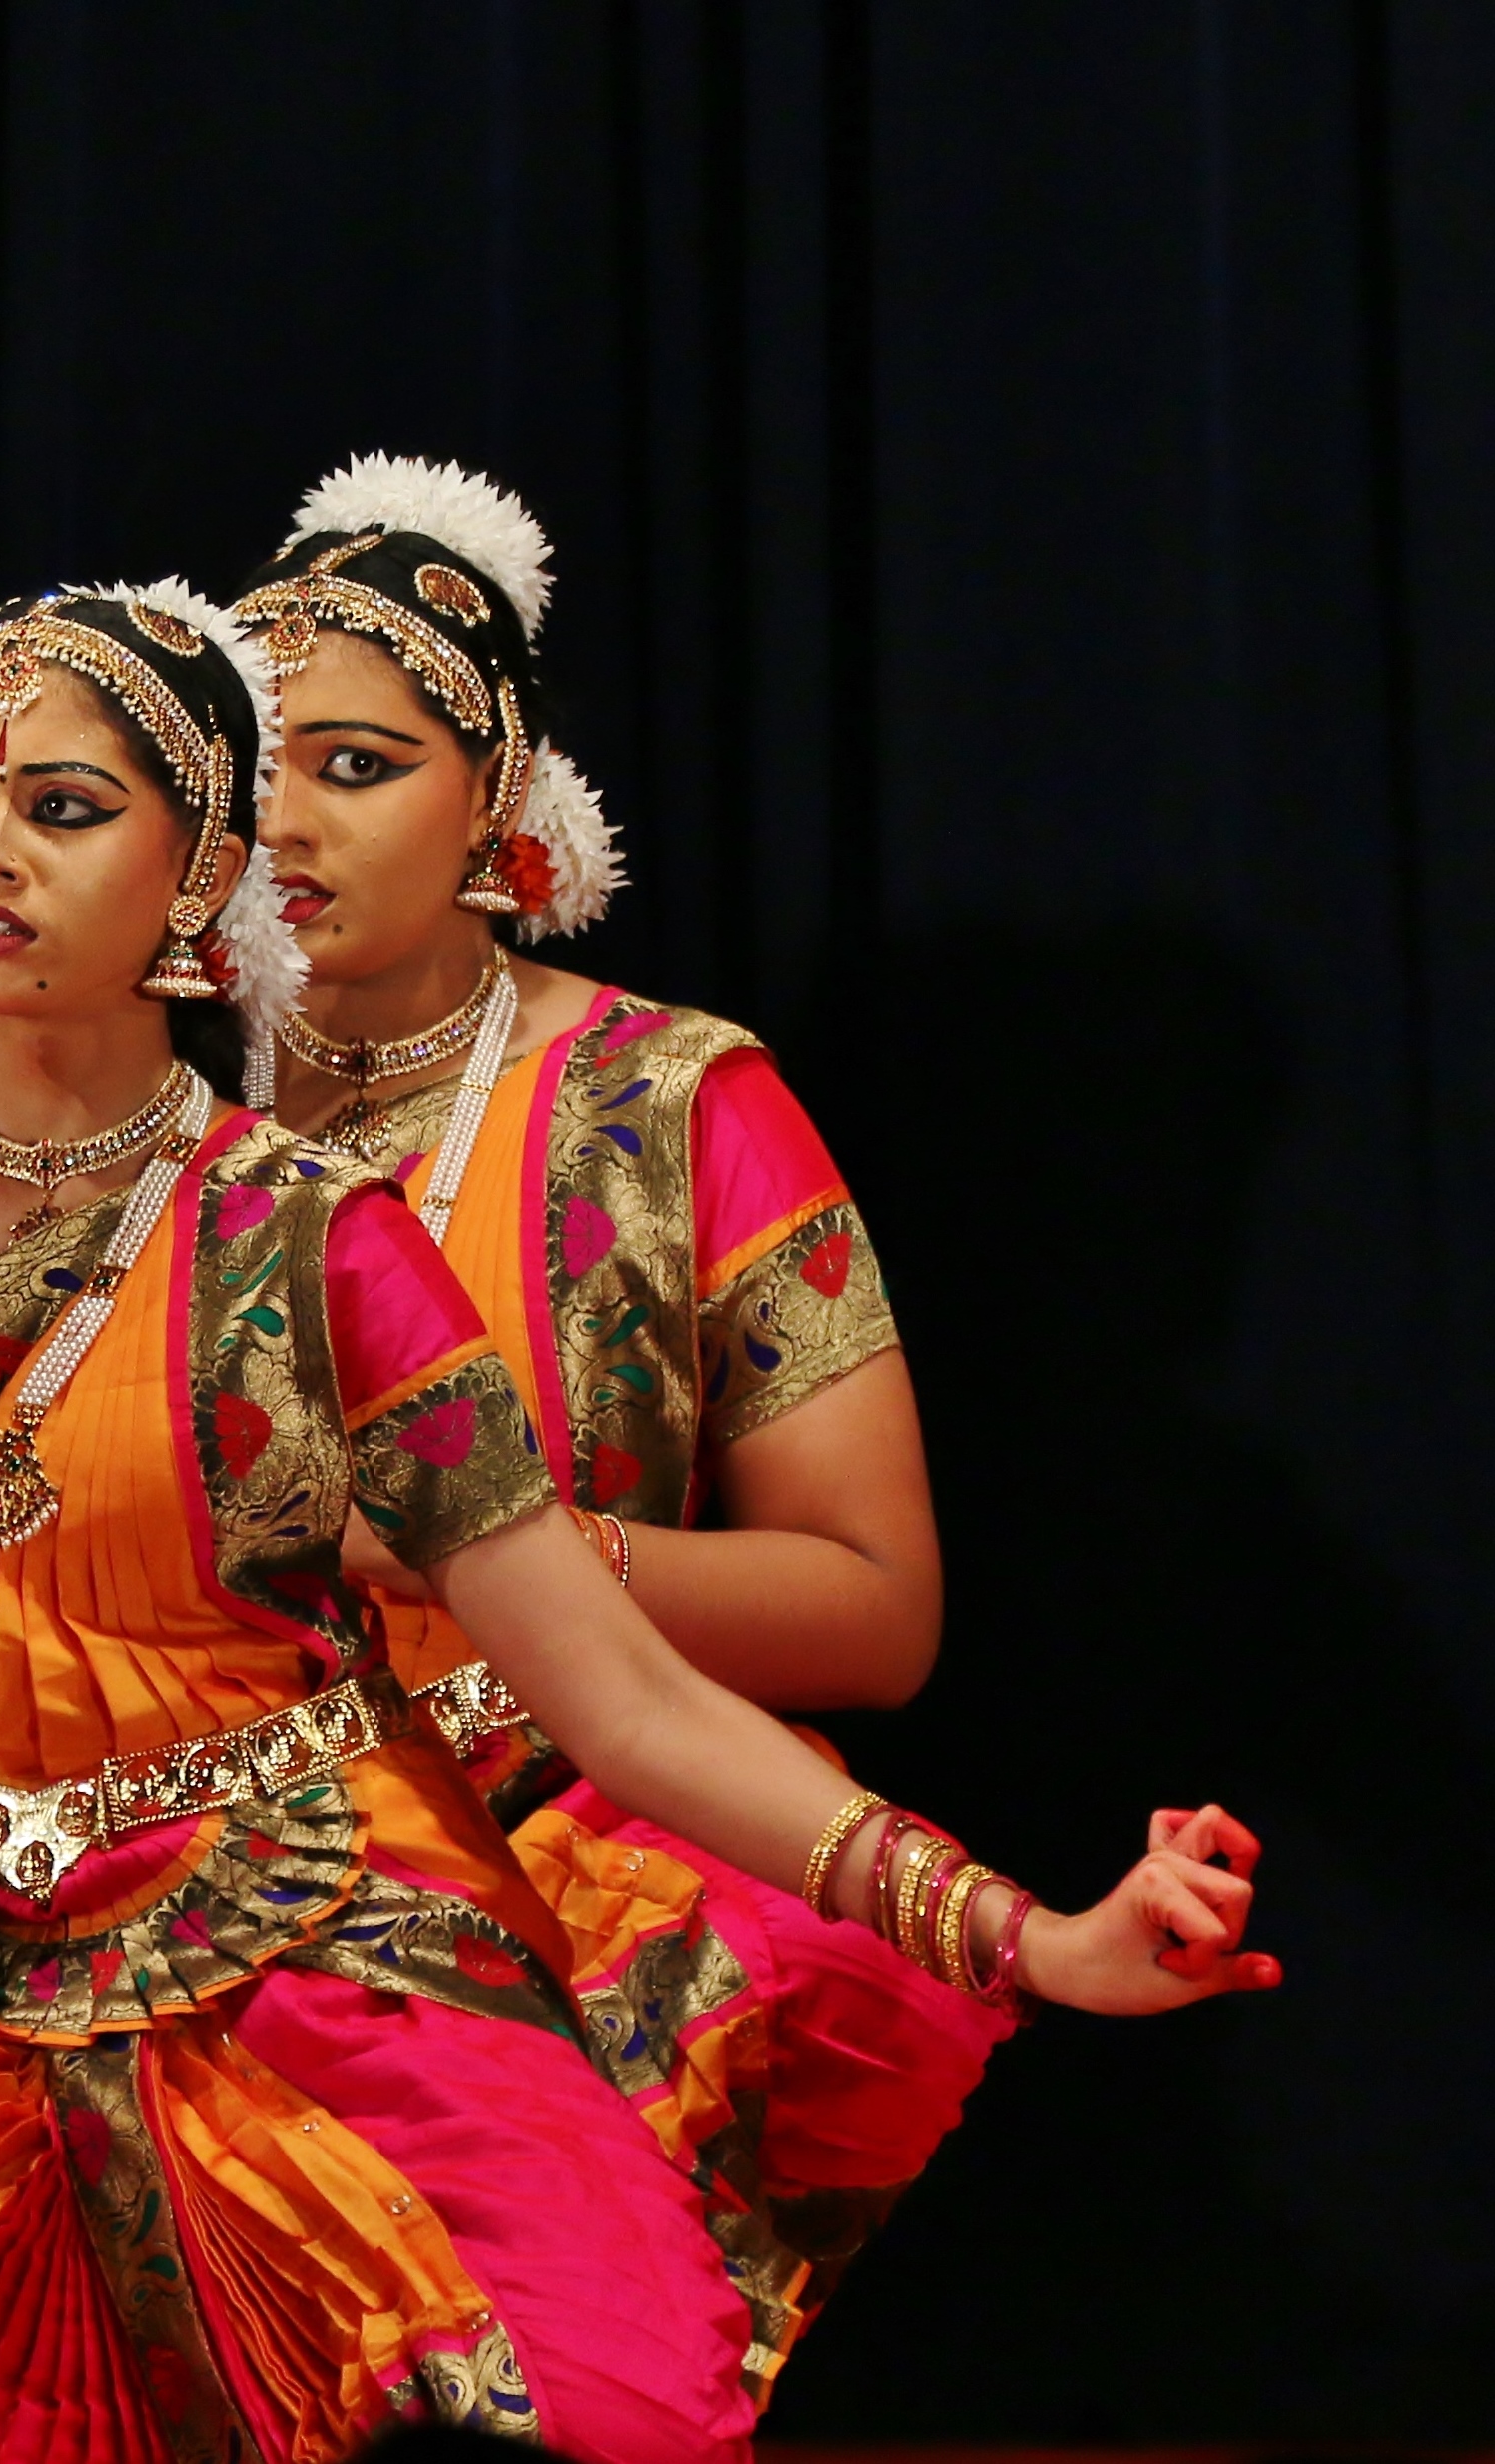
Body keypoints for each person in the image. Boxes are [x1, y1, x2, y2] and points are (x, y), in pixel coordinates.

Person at [0, 579, 1275, 2464]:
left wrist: (1037, 1939)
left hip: (337, 1943)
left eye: (62, 808)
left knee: (609, 2419)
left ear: (204, 872)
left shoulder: (312, 1243)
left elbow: (637, 1714)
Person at [218, 457, 1123, 2391]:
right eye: (249, 762)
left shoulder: (668, 1104)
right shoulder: (131, 1123)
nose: (285, 817)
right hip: (219, 1877)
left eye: (361, 763)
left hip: (597, 1840)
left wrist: (485, 1546)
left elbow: (872, 1612)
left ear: (500, 809)